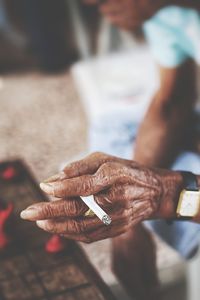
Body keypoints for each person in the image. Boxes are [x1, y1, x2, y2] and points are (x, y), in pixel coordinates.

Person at [22, 1, 200, 299]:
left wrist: (166, 195)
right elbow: (170, 104)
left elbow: (169, 190)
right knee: (111, 130)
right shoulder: (165, 12)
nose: (96, 8)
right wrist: (130, 227)